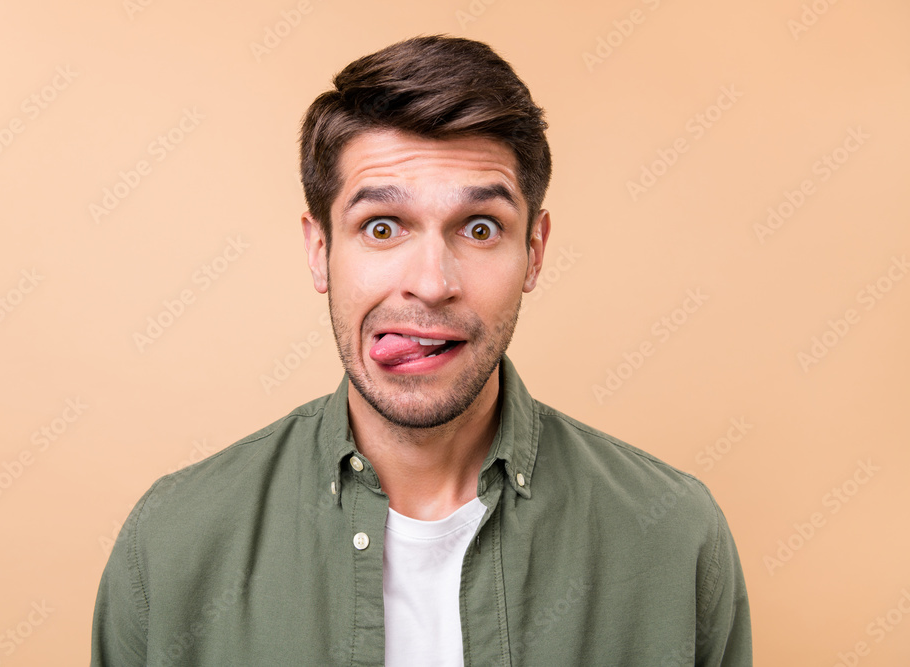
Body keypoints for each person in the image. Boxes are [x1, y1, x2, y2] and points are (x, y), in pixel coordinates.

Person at [91, 35, 752, 666]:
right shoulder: (172, 542)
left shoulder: (673, 536)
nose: (432, 283)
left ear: (535, 251)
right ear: (320, 250)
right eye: (382, 227)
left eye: (481, 227)